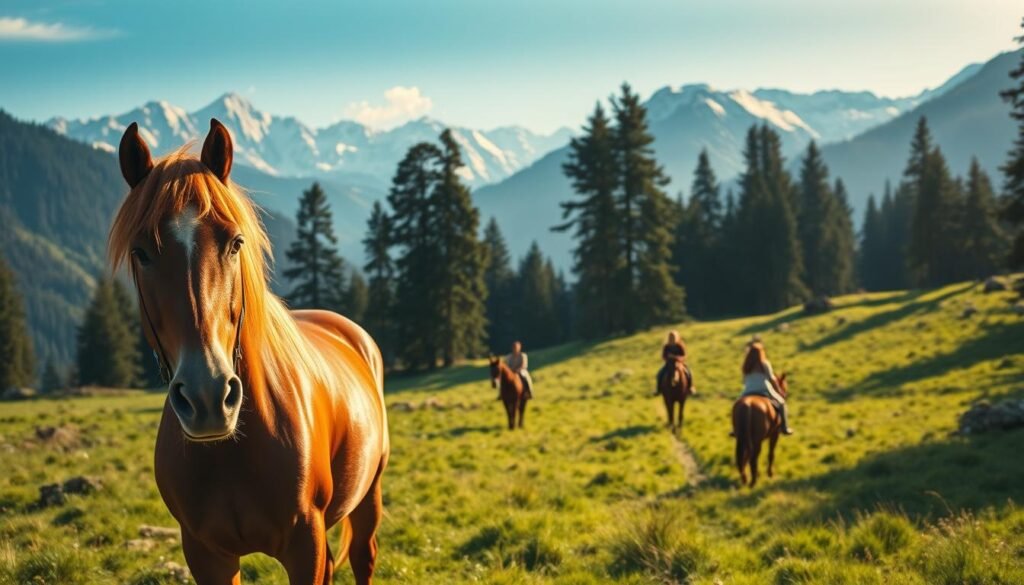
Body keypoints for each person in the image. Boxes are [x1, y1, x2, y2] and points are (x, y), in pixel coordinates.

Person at [738, 339, 793, 435]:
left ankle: (735, 429)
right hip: (763, 389)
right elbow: (772, 379)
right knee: (782, 403)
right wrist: (779, 390)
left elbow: (744, 381)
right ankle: (784, 427)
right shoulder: (764, 364)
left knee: (737, 406)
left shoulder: (746, 365)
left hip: (748, 390)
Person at [655, 330, 695, 396]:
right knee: (660, 373)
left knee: (689, 372)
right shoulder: (666, 346)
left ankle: (690, 387)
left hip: (679, 364)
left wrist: (675, 357)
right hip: (669, 364)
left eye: (673, 337)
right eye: (671, 337)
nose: (672, 339)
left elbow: (684, 356)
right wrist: (668, 358)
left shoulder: (680, 346)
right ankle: (658, 389)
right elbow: (663, 356)